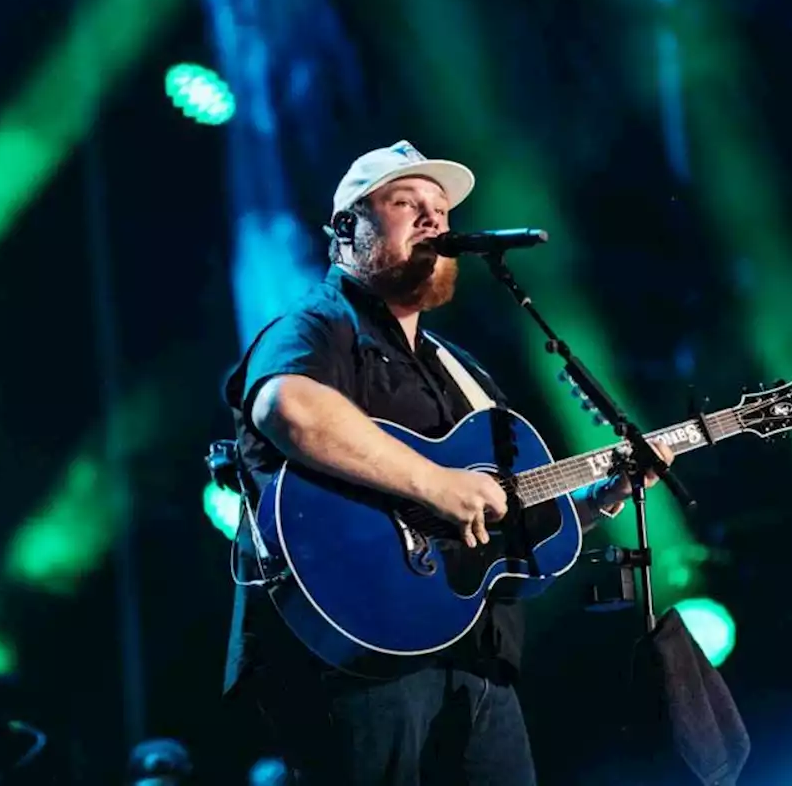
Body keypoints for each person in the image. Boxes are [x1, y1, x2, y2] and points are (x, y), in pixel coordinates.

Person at [220, 140, 675, 785]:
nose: (435, 220)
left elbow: (496, 513)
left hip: (476, 657)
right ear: (348, 229)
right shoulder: (316, 327)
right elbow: (288, 409)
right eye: (408, 204)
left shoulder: (463, 373)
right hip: (362, 655)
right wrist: (434, 483)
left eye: (441, 209)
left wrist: (600, 497)